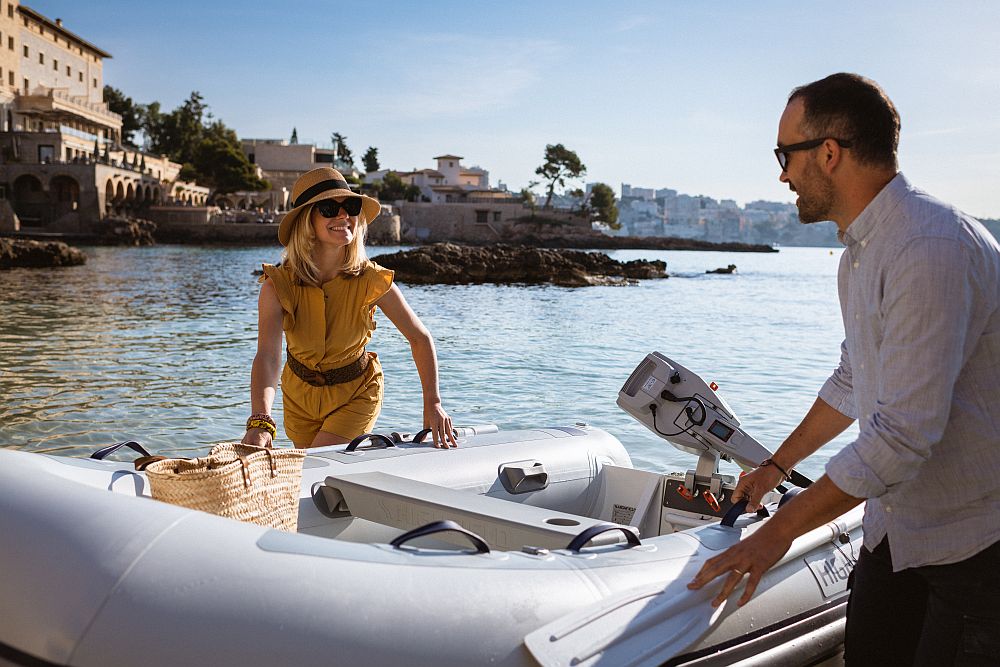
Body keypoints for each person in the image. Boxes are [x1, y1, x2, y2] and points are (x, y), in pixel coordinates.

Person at [688, 73, 1000, 665]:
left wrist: (777, 535)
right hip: (897, 529)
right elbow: (853, 382)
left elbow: (903, 437)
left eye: (785, 154)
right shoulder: (859, 255)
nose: (782, 175)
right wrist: (776, 465)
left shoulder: (929, 246)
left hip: (975, 545)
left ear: (828, 153)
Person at [242, 167, 458, 449]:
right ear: (307, 222)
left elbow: (420, 338)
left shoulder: (372, 279)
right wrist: (261, 420)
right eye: (330, 208)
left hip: (357, 393)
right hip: (298, 399)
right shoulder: (277, 285)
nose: (344, 215)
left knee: (316, 464)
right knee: (312, 479)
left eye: (351, 206)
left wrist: (433, 403)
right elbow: (268, 356)